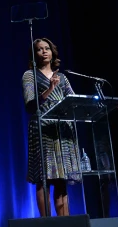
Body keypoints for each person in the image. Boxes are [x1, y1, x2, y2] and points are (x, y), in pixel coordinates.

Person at [22, 38, 81, 217]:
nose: (44, 52)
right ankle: (46, 225)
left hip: (62, 131)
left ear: (52, 52)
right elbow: (30, 105)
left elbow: (74, 101)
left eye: (47, 48)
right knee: (44, 178)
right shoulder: (29, 75)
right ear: (35, 54)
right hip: (43, 130)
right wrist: (49, 89)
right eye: (40, 49)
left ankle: (65, 225)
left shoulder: (62, 77)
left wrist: (101, 105)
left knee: (61, 179)